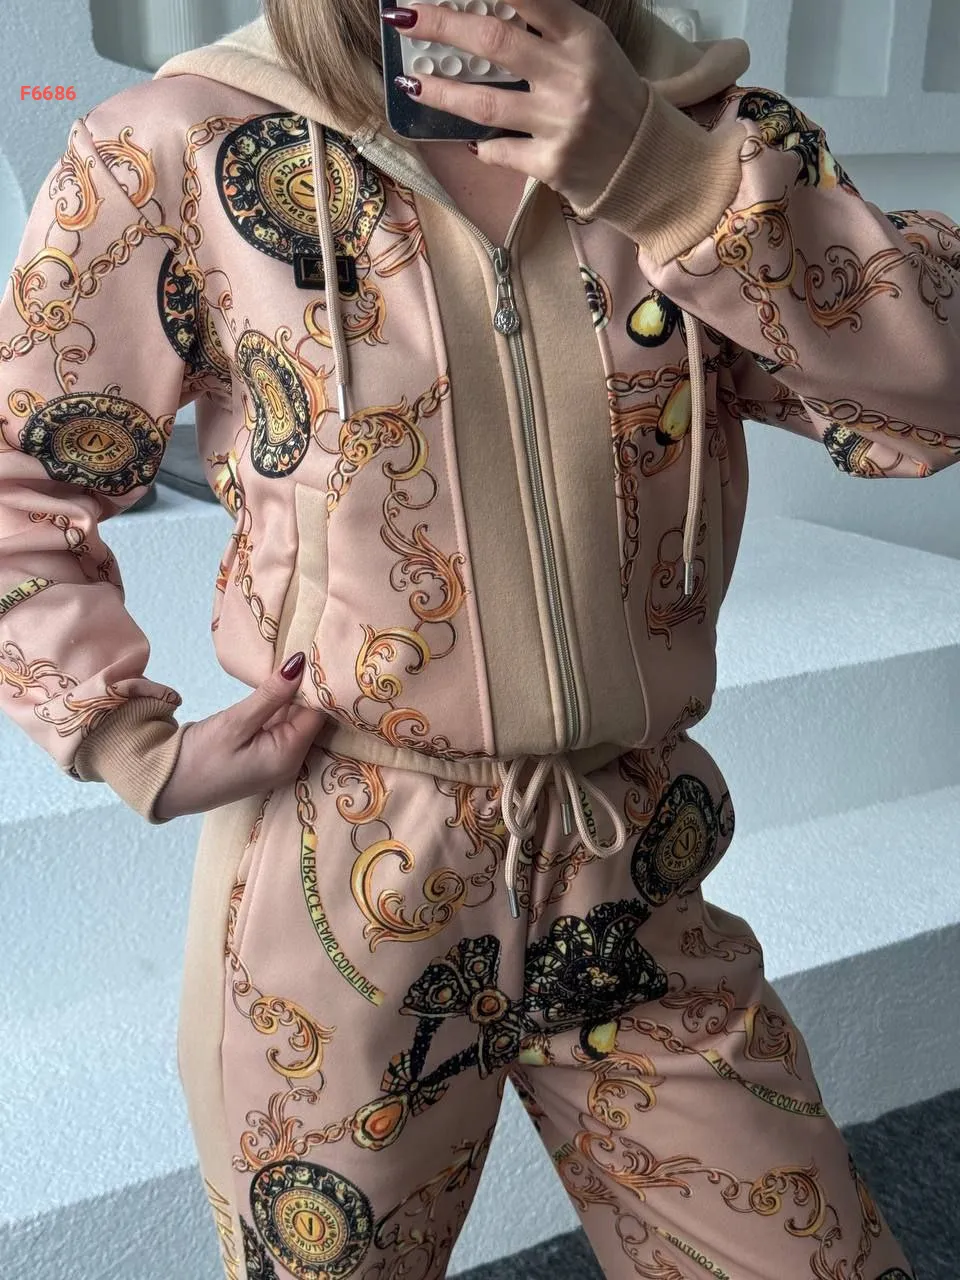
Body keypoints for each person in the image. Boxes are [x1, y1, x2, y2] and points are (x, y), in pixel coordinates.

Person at [0, 0, 953, 1273]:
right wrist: (121, 732)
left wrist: (669, 181)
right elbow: (22, 476)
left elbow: (929, 395)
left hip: (633, 856)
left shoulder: (712, 135)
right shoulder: (180, 142)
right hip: (338, 880)